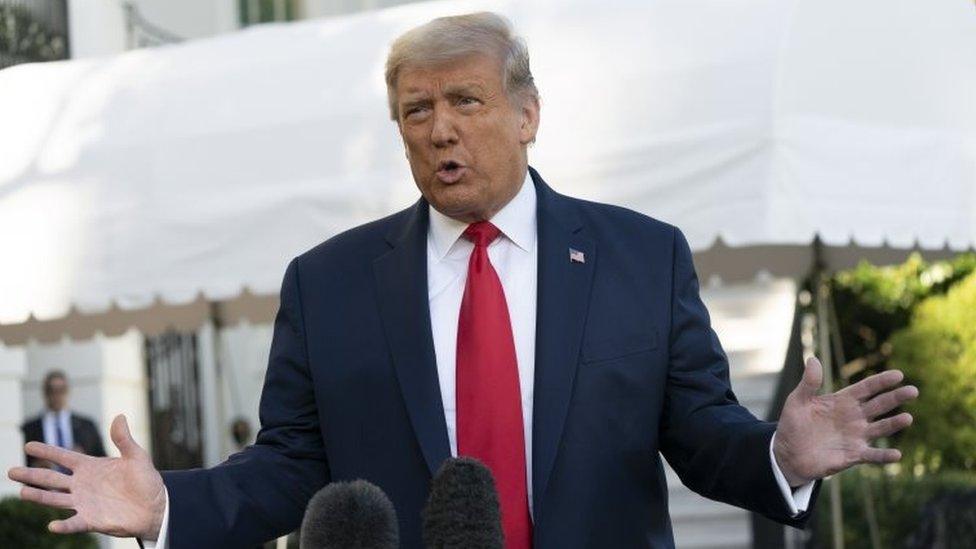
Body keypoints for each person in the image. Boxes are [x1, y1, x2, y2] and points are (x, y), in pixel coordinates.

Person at [7, 12, 919, 549]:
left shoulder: (642, 257)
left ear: (527, 115)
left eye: (466, 102)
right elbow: (288, 465)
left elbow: (700, 432)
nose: (440, 129)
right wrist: (169, 503)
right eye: (416, 109)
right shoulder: (327, 284)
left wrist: (781, 456)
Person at [21, 370, 106, 468]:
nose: (57, 395)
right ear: (44, 392)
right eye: (51, 390)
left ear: (68, 391)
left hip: (78, 481)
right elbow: (20, 461)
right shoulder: (29, 428)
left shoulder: (87, 426)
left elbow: (102, 460)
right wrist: (37, 465)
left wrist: (84, 458)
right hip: (45, 481)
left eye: (61, 390)